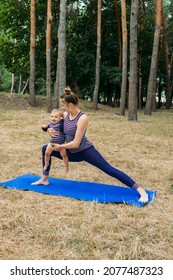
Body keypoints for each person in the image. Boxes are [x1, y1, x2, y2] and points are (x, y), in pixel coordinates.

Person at [32, 87, 148, 203]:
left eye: (63, 105)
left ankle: (140, 190)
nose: (62, 108)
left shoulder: (82, 118)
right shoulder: (66, 114)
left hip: (85, 151)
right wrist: (49, 130)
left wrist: (60, 147)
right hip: (70, 152)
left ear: (70, 105)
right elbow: (55, 124)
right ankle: (44, 179)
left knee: (109, 169)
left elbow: (76, 143)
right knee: (45, 149)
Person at [41, 108, 69, 173]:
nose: (53, 118)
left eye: (56, 117)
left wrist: (63, 118)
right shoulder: (50, 124)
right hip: (51, 143)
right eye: (52, 116)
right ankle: (46, 164)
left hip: (60, 144)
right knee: (47, 153)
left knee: (64, 155)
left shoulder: (61, 124)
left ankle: (66, 166)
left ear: (60, 118)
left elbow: (64, 124)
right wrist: (43, 127)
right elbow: (45, 128)